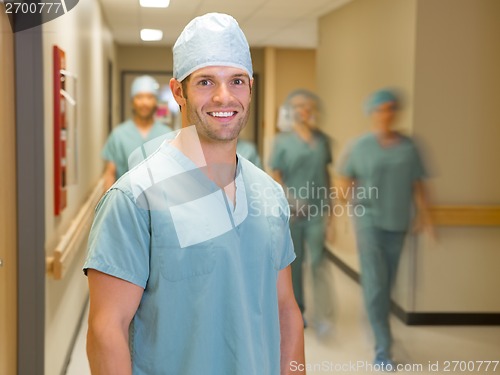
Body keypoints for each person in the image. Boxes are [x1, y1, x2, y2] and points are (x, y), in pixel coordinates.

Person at [84, 12, 305, 375]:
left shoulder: (269, 193)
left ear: (250, 87)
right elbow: (107, 329)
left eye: (236, 80)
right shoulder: (135, 198)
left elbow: (287, 312)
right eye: (205, 82)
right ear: (177, 92)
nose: (224, 96)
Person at [337, 88, 433, 369]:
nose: (386, 114)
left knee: (386, 283)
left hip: (398, 223)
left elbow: (419, 184)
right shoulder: (359, 146)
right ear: (372, 113)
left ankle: (374, 317)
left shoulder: (409, 147)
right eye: (380, 109)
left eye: (391, 109)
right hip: (369, 222)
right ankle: (383, 349)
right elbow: (345, 183)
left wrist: (426, 218)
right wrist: (344, 199)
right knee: (377, 283)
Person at [269, 89, 334, 337]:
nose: (303, 110)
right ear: (290, 111)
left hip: (317, 211)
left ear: (313, 110)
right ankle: (300, 311)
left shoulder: (323, 141)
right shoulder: (282, 142)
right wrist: (291, 202)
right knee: (294, 265)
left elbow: (326, 177)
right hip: (292, 213)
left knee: (317, 262)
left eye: (307, 106)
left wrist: (331, 218)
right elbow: (276, 178)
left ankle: (322, 316)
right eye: (297, 106)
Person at [102, 75, 172, 190]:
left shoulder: (168, 135)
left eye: (149, 97)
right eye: (139, 97)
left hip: (159, 203)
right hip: (126, 202)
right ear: (132, 101)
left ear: (156, 101)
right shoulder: (119, 135)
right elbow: (110, 173)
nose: (144, 103)